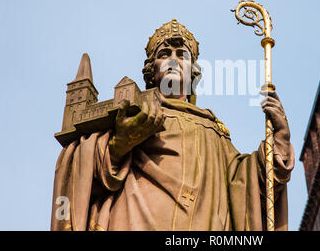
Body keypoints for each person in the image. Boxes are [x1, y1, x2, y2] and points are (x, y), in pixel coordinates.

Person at [51, 19, 294, 231]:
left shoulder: (212, 130)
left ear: (192, 72)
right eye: (164, 53)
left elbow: (245, 186)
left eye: (182, 55)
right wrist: (120, 144)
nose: (174, 60)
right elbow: (78, 167)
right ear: (151, 71)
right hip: (133, 219)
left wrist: (279, 140)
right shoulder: (134, 114)